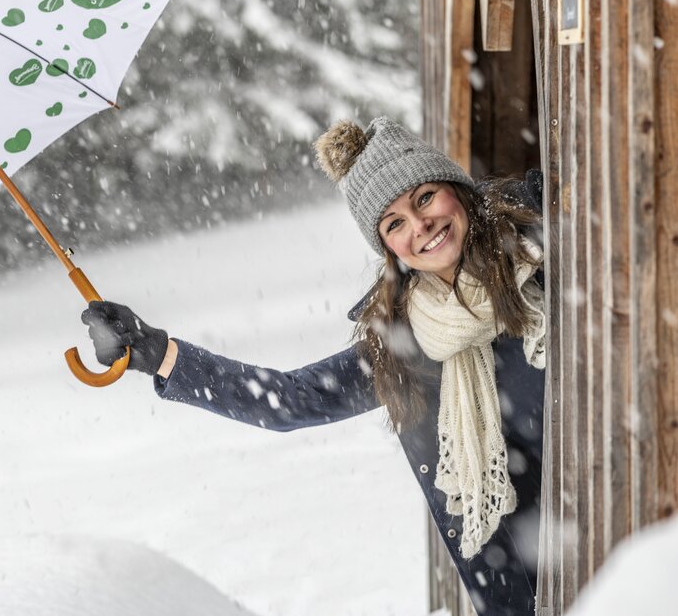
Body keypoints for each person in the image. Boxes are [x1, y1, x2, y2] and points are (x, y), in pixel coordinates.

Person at [81, 117, 547, 616]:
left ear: (456, 188)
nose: (420, 227)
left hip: (617, 534)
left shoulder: (544, 250)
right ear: (388, 247)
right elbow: (292, 400)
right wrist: (158, 353)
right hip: (531, 588)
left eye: (425, 197)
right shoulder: (404, 345)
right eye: (394, 224)